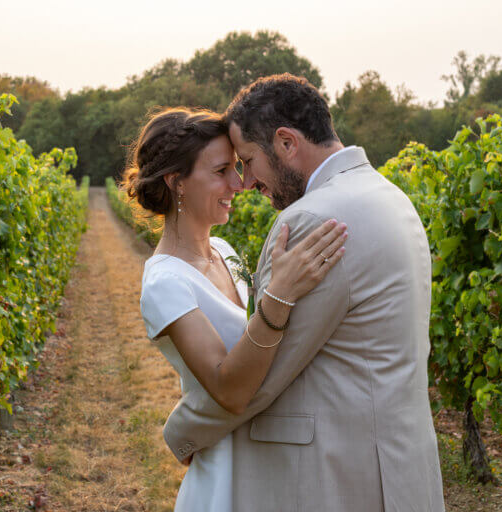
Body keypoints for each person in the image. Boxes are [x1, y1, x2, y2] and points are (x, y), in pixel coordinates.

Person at [162, 75, 446, 511]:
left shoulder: (314, 220)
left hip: (344, 478)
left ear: (287, 143)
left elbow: (260, 377)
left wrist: (182, 432)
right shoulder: (390, 196)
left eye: (249, 160)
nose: (249, 182)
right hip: (399, 466)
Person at [123, 107, 348, 512]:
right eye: (221, 171)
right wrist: (280, 293)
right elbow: (228, 388)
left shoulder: (225, 253)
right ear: (178, 184)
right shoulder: (165, 283)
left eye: (238, 167)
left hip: (267, 461)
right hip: (224, 478)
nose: (239, 184)